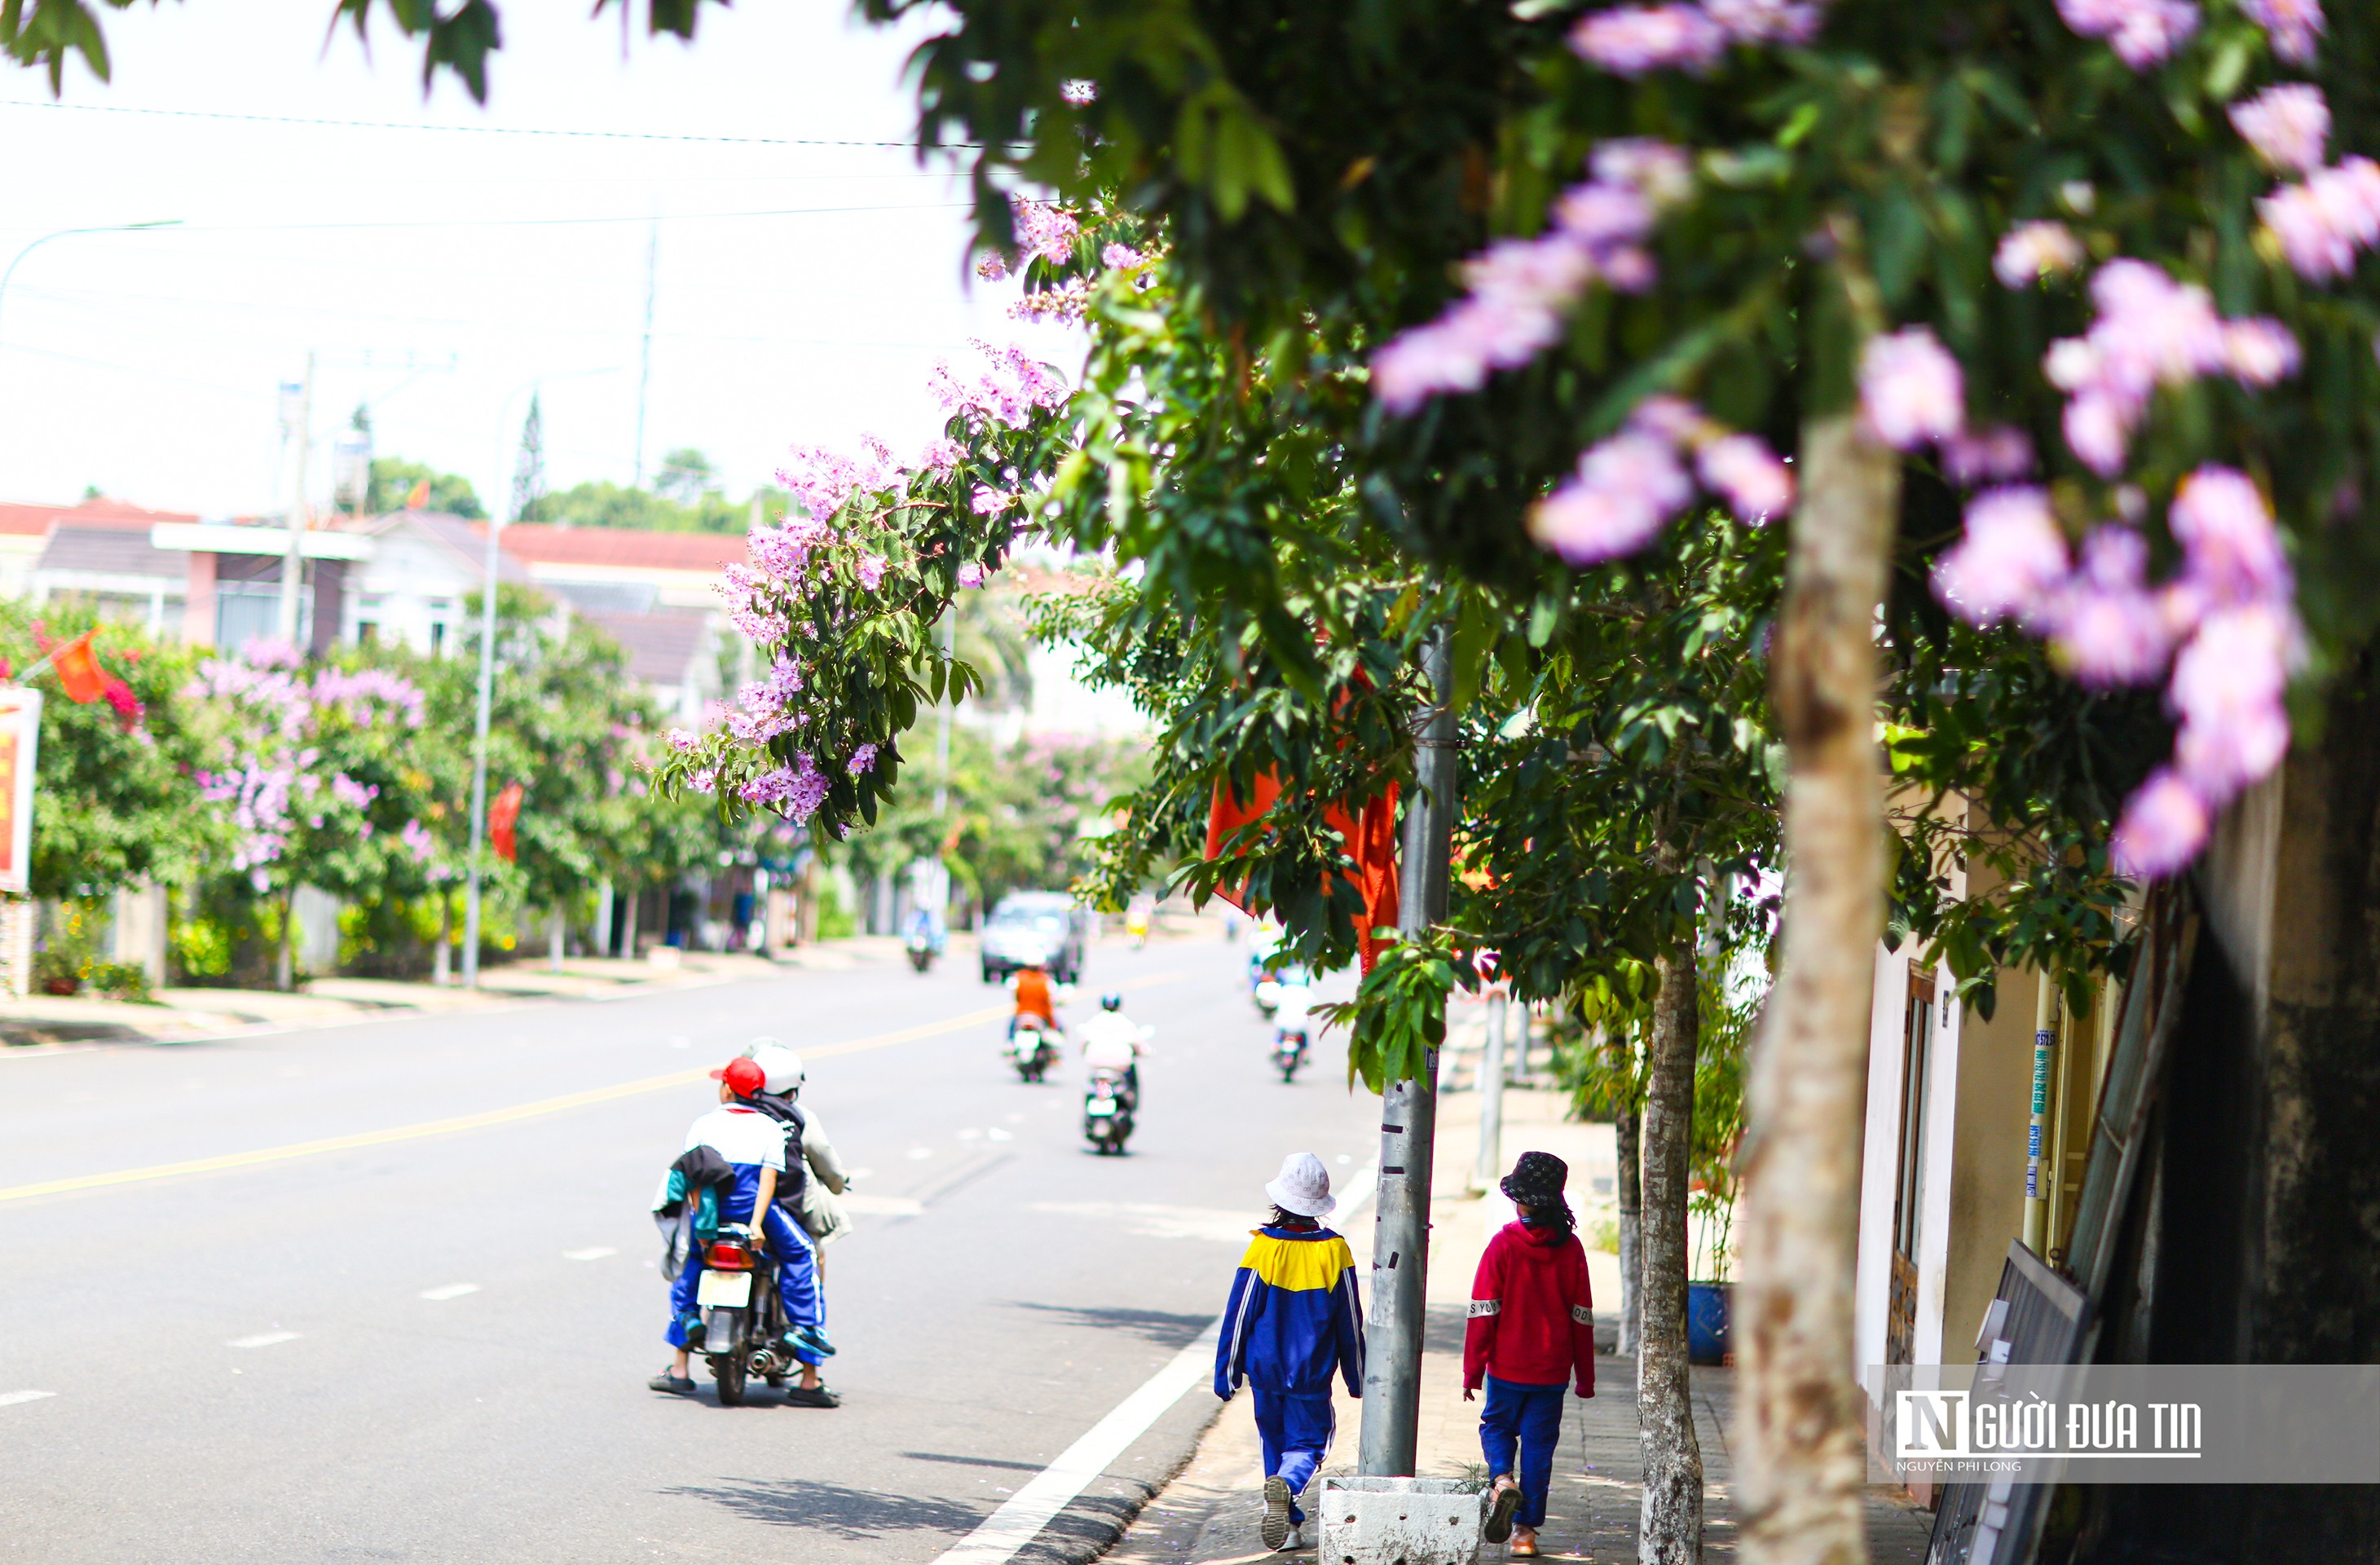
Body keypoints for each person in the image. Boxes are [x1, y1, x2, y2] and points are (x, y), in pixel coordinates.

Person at [648, 1056, 839, 1408]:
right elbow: (768, 1180)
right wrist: (755, 1224)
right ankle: (804, 1334)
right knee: (802, 1254)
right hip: (756, 1217)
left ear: (728, 1089)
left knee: (689, 1260)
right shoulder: (770, 1126)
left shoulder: (704, 1123)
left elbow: (693, 1177)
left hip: (712, 1218)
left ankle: (685, 1334)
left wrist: (703, 1226)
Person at [1215, 1153, 1364, 1554]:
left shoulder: (1263, 1248)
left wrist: (1226, 1372)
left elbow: (1239, 1313)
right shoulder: (1334, 1250)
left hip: (1264, 1372)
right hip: (1311, 1374)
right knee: (1311, 1443)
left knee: (1273, 1443)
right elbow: (1350, 1319)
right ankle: (1291, 1486)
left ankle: (1289, 1526)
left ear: (1279, 1201)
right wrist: (1357, 1374)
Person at [1464, 1151, 1596, 1558]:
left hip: (1507, 1367)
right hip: (1552, 1372)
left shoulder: (1503, 1245)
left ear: (1519, 1200)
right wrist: (1585, 1378)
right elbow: (1582, 1317)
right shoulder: (1571, 1248)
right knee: (1539, 1449)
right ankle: (1524, 1533)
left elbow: (1483, 1311)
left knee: (1497, 1426)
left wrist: (1473, 1370)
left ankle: (1502, 1481)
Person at [1078, 992, 1147, 1105]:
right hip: (1120, 1065)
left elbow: (1083, 1043)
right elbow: (1138, 1044)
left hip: (1096, 1064)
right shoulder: (1125, 1022)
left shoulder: (1094, 1021)